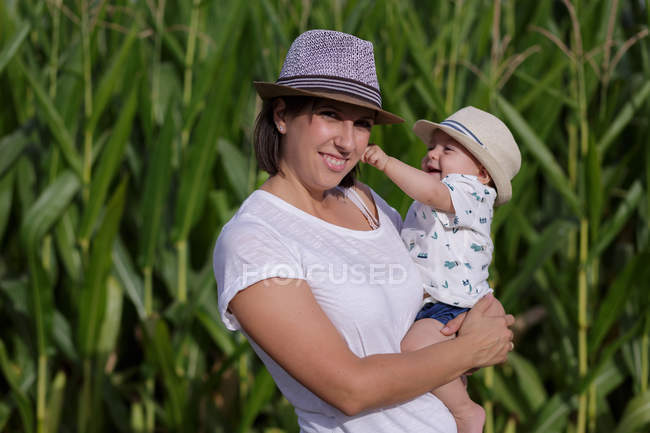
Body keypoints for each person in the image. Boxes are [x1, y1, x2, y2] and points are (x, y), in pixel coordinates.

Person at [213, 29, 515, 433]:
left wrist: (478, 319)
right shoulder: (255, 241)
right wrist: (470, 349)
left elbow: (431, 292)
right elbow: (349, 390)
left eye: (362, 123)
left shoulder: (364, 201)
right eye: (330, 115)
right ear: (282, 115)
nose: (347, 142)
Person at [362, 107, 521, 433]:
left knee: (414, 349)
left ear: (482, 172)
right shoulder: (444, 198)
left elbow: (432, 191)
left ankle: (466, 412)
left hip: (452, 303)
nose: (432, 155)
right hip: (437, 302)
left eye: (447, 149)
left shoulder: (471, 192)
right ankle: (451, 410)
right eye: (430, 148)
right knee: (441, 370)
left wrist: (387, 163)